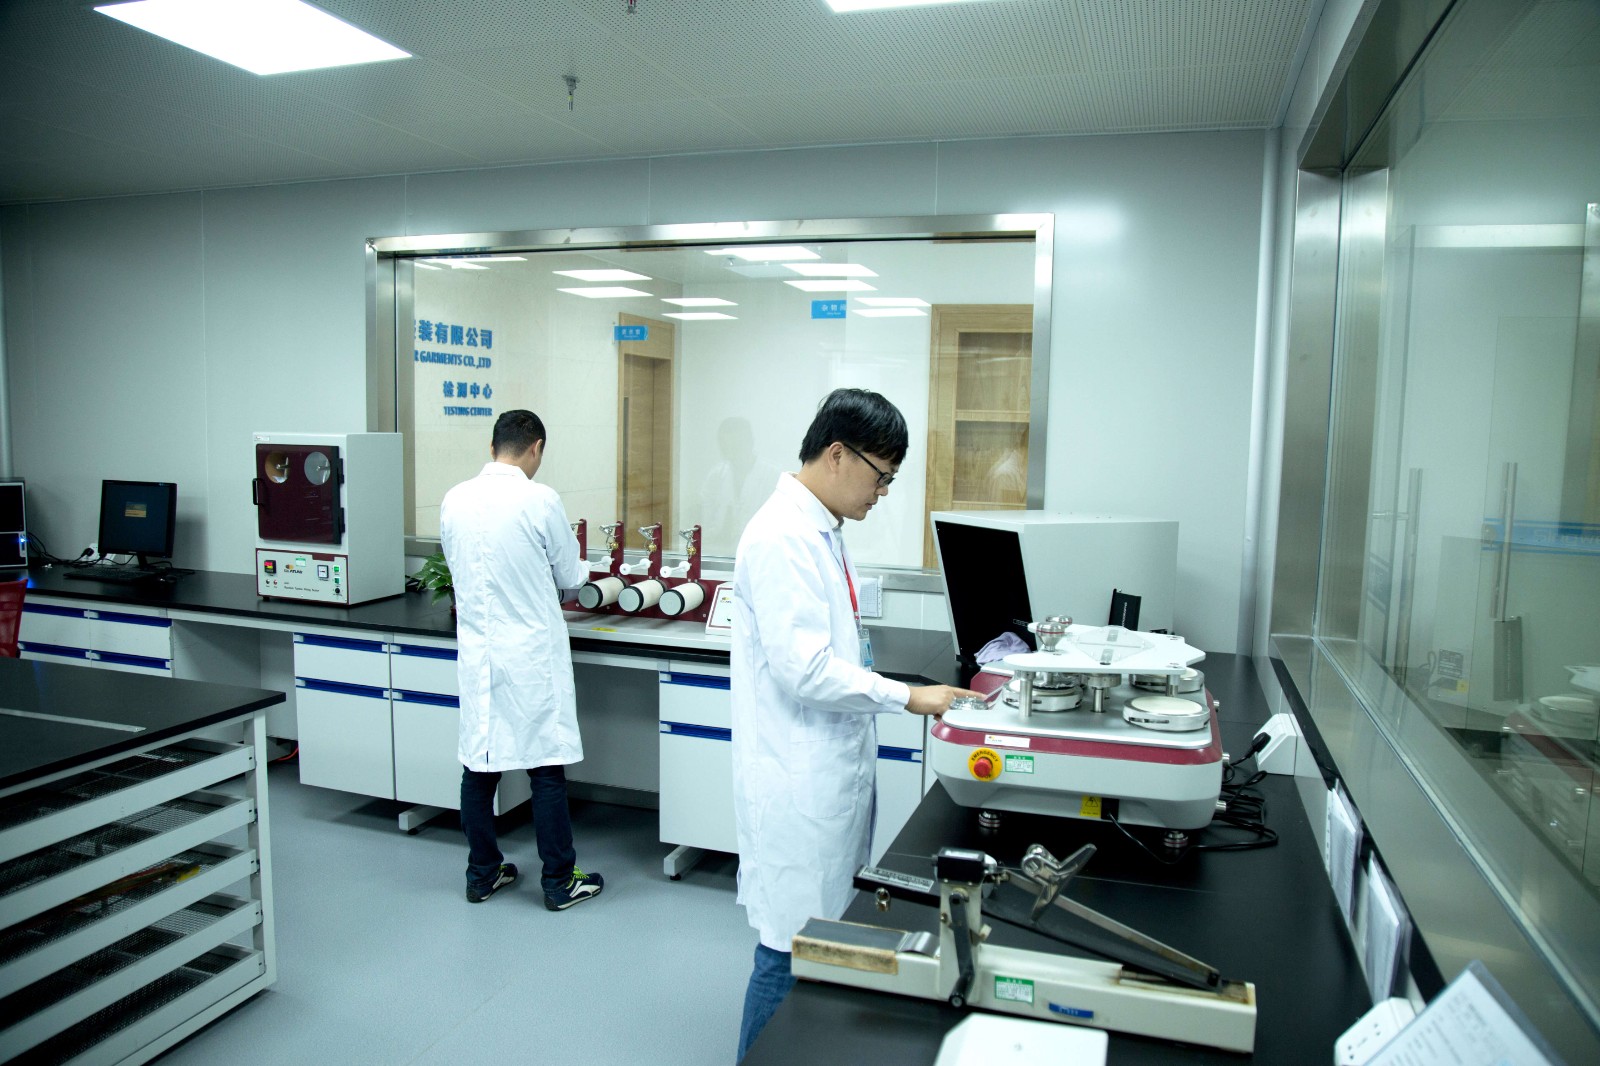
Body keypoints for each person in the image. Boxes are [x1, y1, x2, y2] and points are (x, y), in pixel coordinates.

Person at [730, 388, 979, 1060]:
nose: (884, 492)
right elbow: (805, 671)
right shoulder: (782, 536)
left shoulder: (822, 529)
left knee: (815, 944)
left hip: (826, 772)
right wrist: (908, 697)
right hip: (796, 785)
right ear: (838, 454)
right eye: (882, 475)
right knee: (787, 951)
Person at [440, 409, 604, 911]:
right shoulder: (540, 499)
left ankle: (482, 873)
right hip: (530, 656)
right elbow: (571, 576)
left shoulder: (454, 499)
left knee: (479, 765)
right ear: (536, 448)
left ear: (492, 448)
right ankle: (559, 881)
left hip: (479, 655)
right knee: (545, 766)